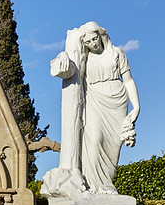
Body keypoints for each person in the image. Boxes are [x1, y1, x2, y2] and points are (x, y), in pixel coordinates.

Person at [50, 22, 140, 194]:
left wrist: (136, 107)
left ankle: (106, 183)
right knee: (95, 139)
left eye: (94, 39)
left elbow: (128, 80)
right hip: (94, 98)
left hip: (117, 100)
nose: (93, 43)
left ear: (100, 35)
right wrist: (62, 57)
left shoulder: (117, 53)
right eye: (88, 42)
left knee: (113, 145)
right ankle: (92, 184)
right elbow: (70, 67)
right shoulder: (84, 58)